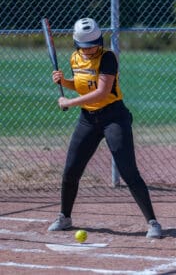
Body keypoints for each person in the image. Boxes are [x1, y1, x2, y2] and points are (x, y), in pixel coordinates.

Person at [48, 17, 161, 238]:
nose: (90, 50)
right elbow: (83, 85)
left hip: (114, 117)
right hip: (88, 119)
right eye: (85, 46)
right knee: (71, 170)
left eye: (93, 45)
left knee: (128, 171)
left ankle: (153, 222)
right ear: (76, 45)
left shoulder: (108, 57)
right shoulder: (74, 58)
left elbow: (102, 91)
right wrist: (65, 82)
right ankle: (65, 216)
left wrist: (68, 102)